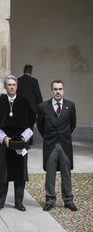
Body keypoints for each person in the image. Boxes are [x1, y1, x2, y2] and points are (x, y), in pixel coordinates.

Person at [0, 75, 35, 212]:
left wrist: (22, 139)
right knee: (2, 173)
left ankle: (19, 202)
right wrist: (4, 138)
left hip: (20, 143)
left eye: (14, 85)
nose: (11, 87)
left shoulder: (24, 102)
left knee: (20, 173)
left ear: (17, 86)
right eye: (9, 85)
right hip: (4, 143)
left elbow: (31, 125)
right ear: (5, 87)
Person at [37, 80, 78, 211]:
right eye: (55, 89)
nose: (58, 91)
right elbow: (40, 125)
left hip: (65, 144)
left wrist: (64, 135)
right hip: (50, 144)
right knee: (50, 173)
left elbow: (73, 124)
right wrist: (48, 137)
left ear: (63, 90)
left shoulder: (70, 106)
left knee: (66, 173)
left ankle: (68, 200)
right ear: (51, 91)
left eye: (60, 89)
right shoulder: (43, 106)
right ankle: (50, 199)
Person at [17, 64, 43, 144]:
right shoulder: (34, 81)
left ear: (24, 71)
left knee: (21, 124)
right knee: (30, 125)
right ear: (31, 71)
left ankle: (22, 140)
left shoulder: (18, 80)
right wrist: (41, 106)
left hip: (20, 106)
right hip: (32, 108)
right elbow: (37, 94)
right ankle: (29, 141)